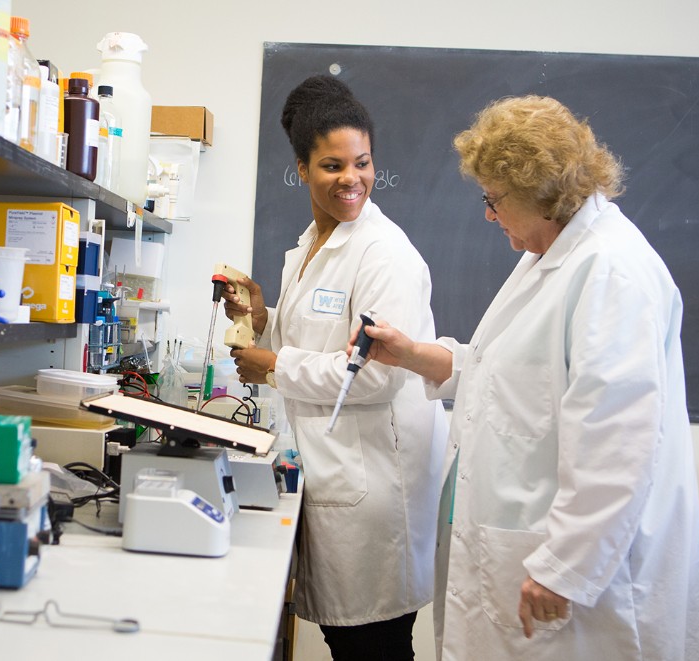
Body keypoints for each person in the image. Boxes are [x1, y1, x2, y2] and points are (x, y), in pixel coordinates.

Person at [352, 95, 699, 659]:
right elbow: (507, 375)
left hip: (575, 579)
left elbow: (617, 439)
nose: (489, 215)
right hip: (517, 549)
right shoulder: (547, 257)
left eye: (495, 200)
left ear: (542, 194)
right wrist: (413, 353)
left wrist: (565, 567)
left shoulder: (610, 271)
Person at [223, 74, 447, 660]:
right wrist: (262, 317)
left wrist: (272, 364)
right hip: (335, 469)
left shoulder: (384, 254)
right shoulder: (311, 244)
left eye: (363, 163)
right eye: (332, 166)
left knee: (373, 646)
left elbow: (374, 375)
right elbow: (313, 339)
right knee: (353, 644)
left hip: (372, 484)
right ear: (301, 169)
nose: (352, 179)